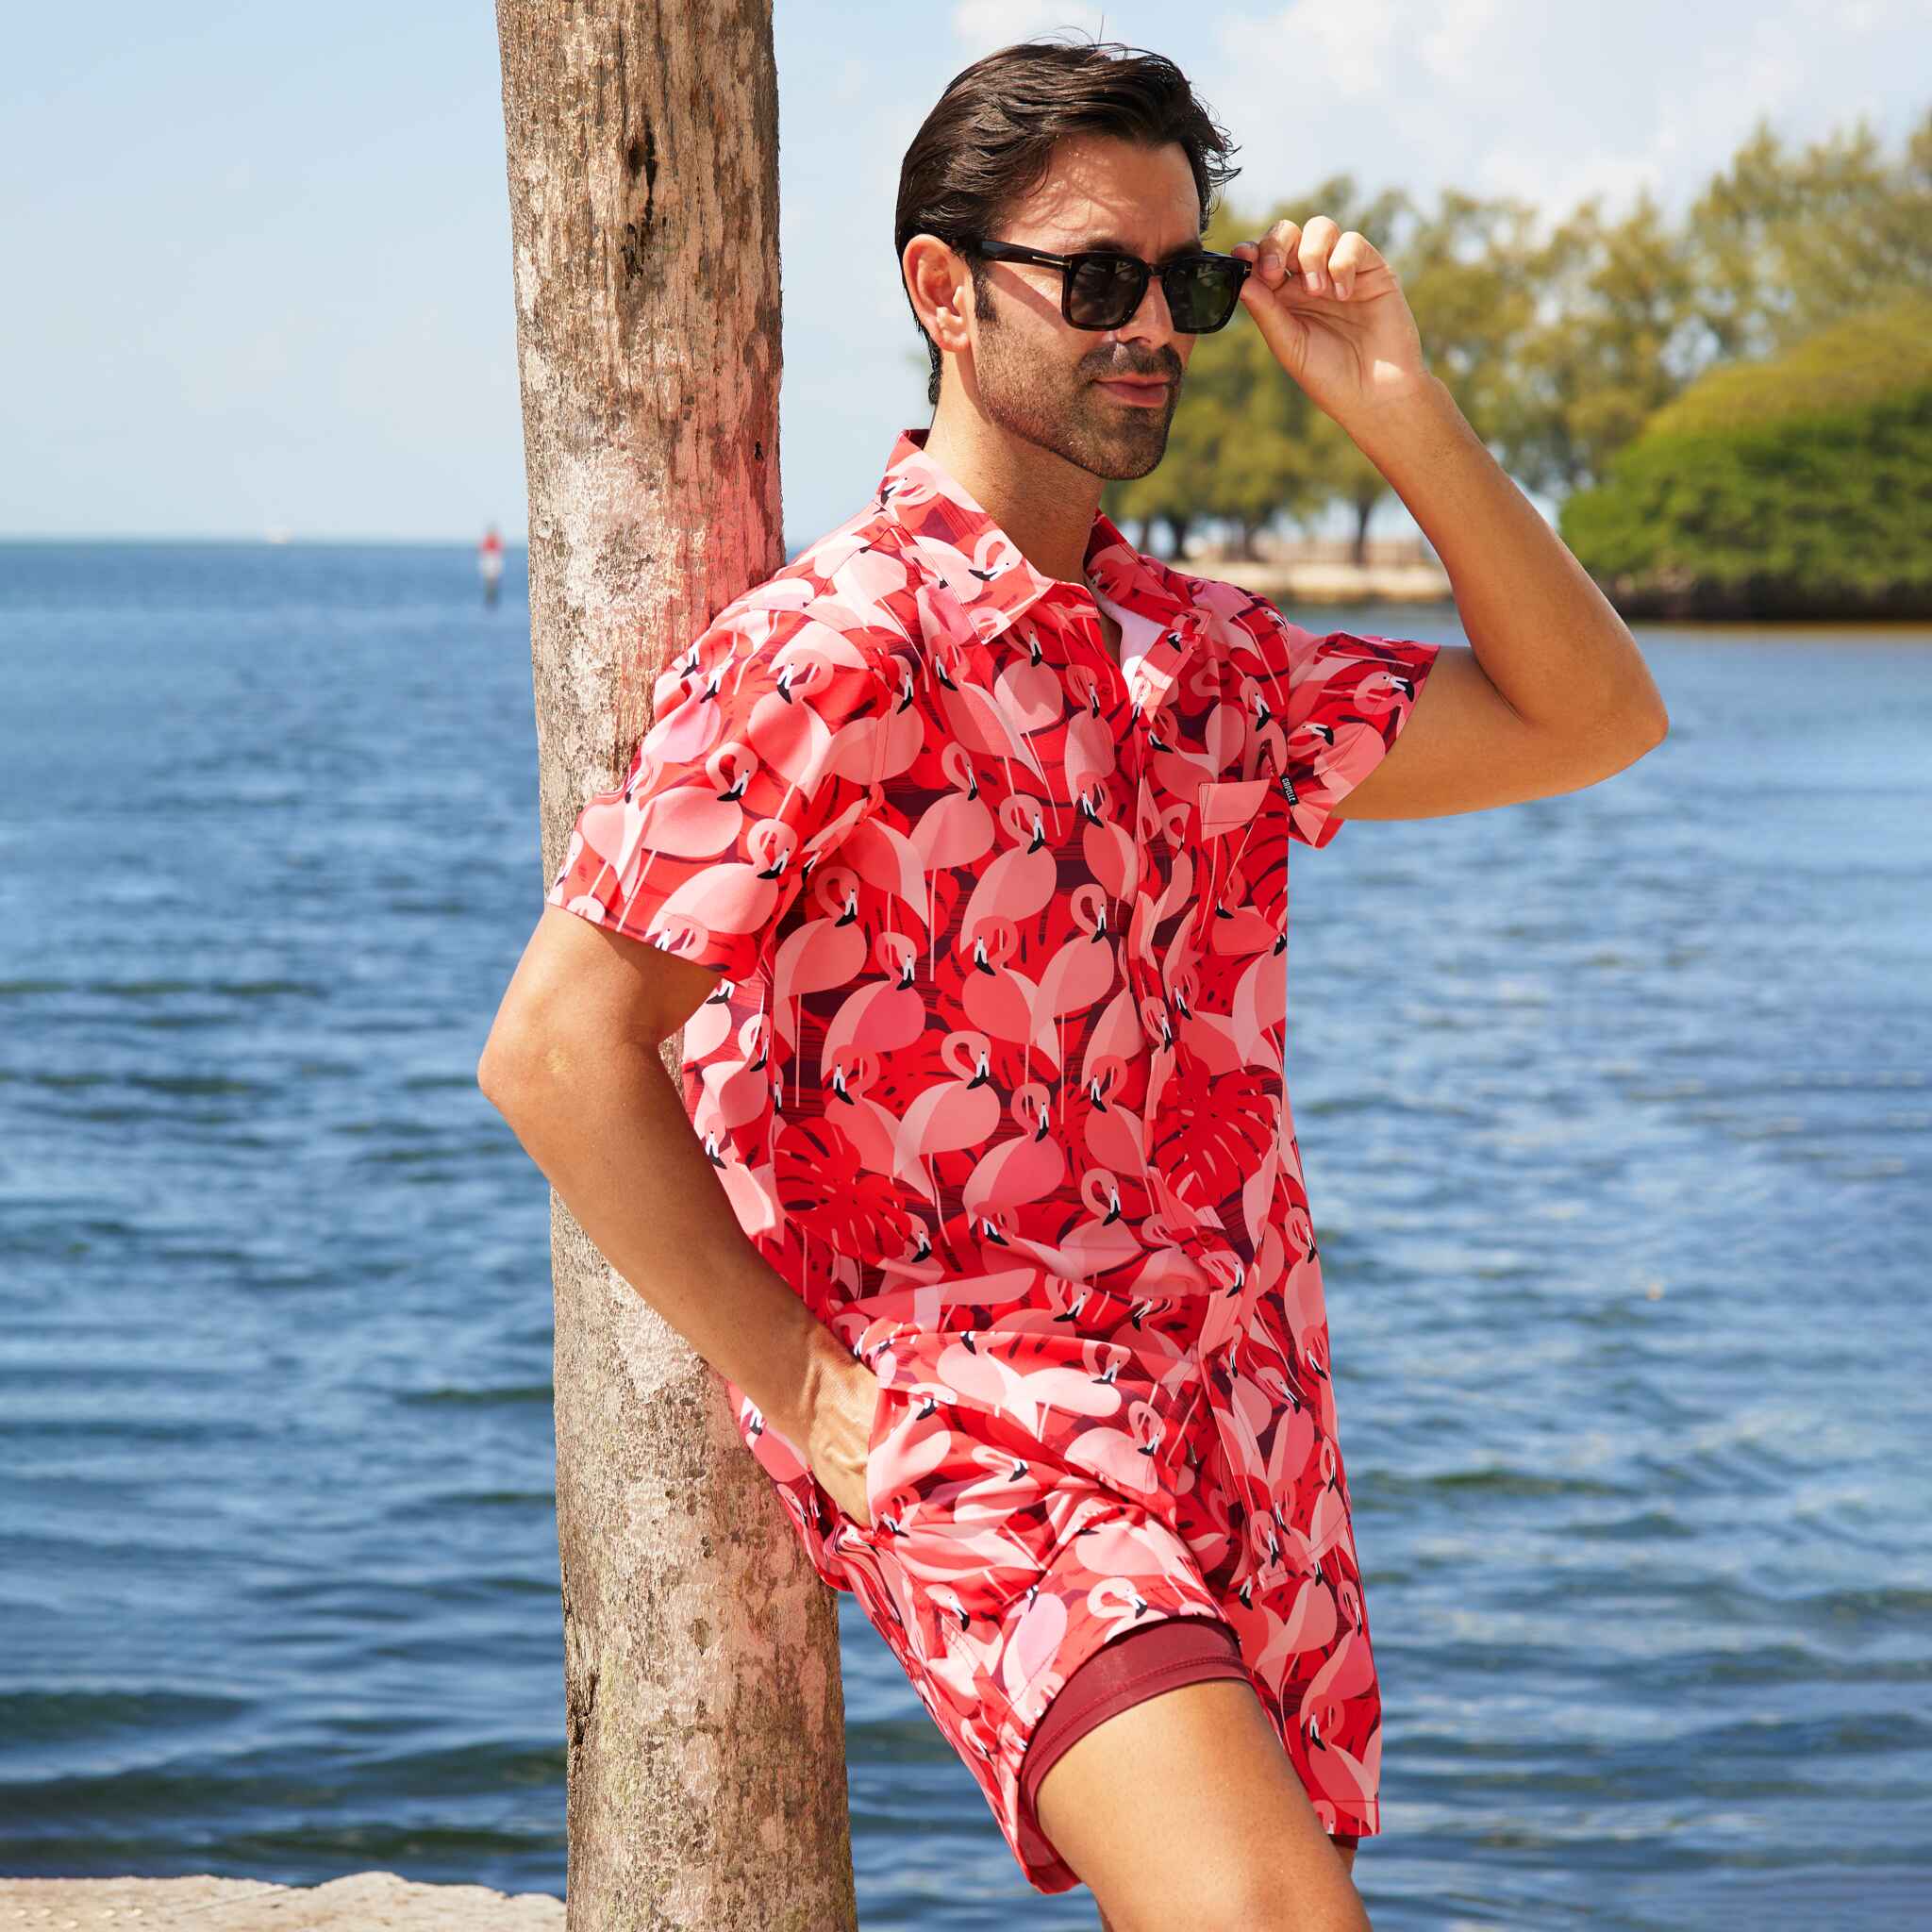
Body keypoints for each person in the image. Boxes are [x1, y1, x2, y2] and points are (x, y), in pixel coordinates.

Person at [478, 35, 1667, 1932]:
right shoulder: (830, 651)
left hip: (1246, 1394)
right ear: (941, 292)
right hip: (994, 1414)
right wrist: (796, 1378)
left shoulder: (1209, 662)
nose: (1155, 331)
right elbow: (552, 1051)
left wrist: (1397, 403)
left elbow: (1594, 714)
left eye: (1182, 283)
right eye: (1095, 277)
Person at [478, 523, 504, 605]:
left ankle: (491, 598)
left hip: (492, 561)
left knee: (492, 583)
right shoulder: (489, 540)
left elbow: (499, 550)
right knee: (490, 583)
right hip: (490, 561)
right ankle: (490, 598)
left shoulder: (493, 540)